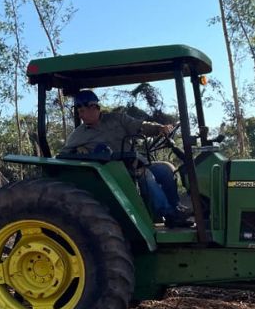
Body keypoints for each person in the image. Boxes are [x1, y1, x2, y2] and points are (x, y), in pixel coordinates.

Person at [60, 90, 192, 228]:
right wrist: (82, 154)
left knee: (165, 169)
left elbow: (140, 126)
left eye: (82, 111)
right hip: (112, 173)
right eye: (79, 112)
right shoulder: (79, 134)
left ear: (94, 107)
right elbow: (64, 155)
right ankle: (168, 214)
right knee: (145, 175)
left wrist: (159, 128)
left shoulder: (117, 119)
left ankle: (175, 207)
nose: (80, 116)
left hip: (134, 164)